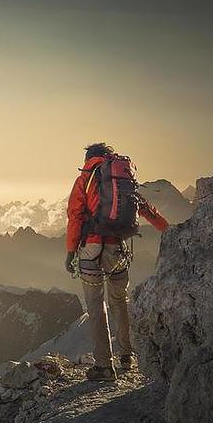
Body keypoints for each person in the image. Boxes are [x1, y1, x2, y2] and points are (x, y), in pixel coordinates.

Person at [65, 143, 169, 381]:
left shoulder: (85, 179)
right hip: (117, 248)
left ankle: (104, 366)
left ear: (89, 158)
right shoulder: (123, 178)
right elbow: (144, 208)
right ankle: (126, 356)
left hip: (91, 247)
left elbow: (75, 216)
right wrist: (168, 230)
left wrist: (70, 252)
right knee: (119, 300)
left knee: (95, 305)